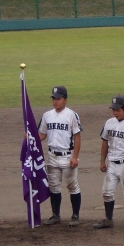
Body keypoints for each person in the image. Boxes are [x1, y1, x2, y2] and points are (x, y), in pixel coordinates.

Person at [38, 85, 82, 227]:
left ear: (65, 100)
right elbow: (42, 135)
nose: (55, 101)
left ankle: (75, 215)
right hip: (52, 156)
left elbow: (77, 137)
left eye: (58, 99)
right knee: (54, 187)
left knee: (72, 186)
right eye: (53, 98)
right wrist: (31, 138)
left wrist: (75, 157)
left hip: (67, 156)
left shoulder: (71, 115)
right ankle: (56, 215)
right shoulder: (47, 115)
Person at [94, 95, 124, 232]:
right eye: (113, 109)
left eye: (118, 110)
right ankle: (108, 220)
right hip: (112, 163)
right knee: (107, 192)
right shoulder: (109, 123)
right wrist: (102, 161)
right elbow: (105, 143)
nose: (115, 112)